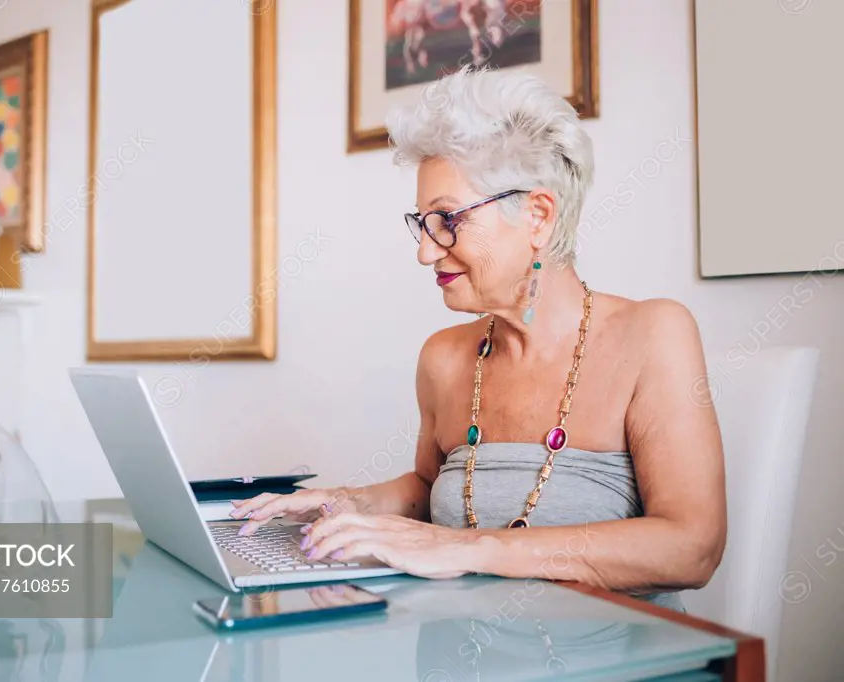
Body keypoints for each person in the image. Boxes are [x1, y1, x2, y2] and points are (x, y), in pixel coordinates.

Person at [231, 67, 726, 611]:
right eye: (421, 224)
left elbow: (692, 548)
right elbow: (426, 491)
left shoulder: (653, 335)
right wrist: (351, 502)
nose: (425, 250)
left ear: (537, 215)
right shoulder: (443, 358)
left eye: (447, 220)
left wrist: (467, 548)